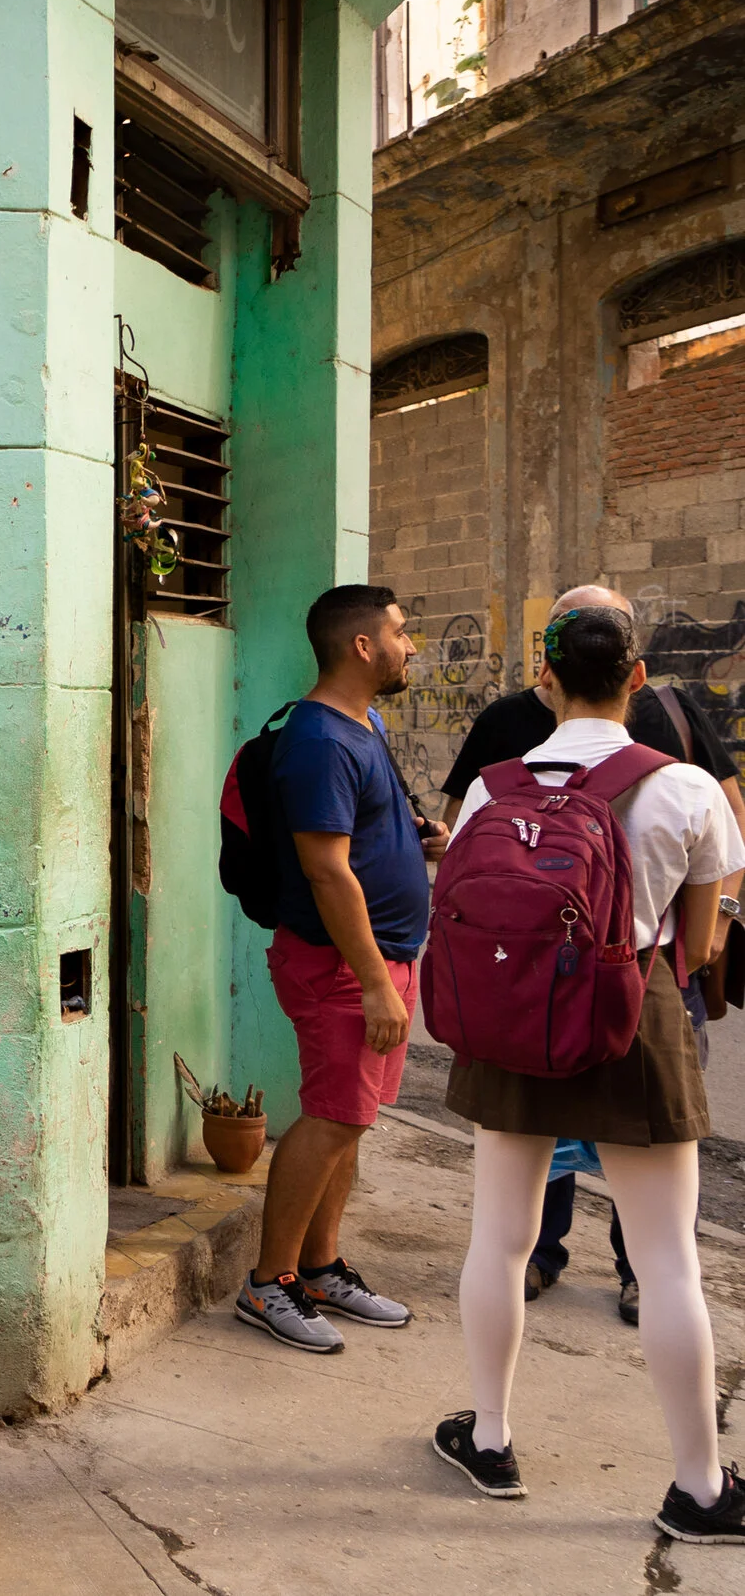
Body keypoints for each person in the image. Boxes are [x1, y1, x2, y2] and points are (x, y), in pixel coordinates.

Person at [432, 606, 745, 1542]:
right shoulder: (684, 787)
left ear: (545, 678)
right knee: (667, 1258)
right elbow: (698, 946)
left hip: (513, 1018)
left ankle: (491, 1441)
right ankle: (699, 1489)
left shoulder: (491, 789)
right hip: (631, 1022)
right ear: (637, 676)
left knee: (501, 1239)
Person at [236, 585, 449, 1354]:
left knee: (351, 1119)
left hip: (380, 959)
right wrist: (372, 981)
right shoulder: (320, 740)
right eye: (401, 632)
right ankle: (269, 1283)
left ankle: (321, 1267)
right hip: (342, 967)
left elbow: (362, 832)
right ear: (363, 646)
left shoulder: (365, 724)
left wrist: (417, 835)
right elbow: (326, 870)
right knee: (330, 1116)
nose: (411, 645)